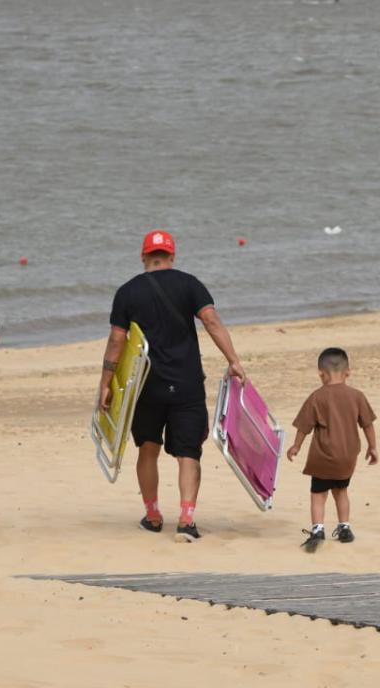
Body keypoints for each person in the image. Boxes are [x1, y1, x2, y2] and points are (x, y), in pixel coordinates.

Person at [98, 229, 246, 543]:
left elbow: (116, 341)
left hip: (146, 387)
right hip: (187, 384)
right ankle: (186, 519)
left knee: (148, 448)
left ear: (143, 257)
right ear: (172, 256)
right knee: (188, 453)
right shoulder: (190, 284)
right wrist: (233, 359)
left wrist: (106, 384)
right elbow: (212, 322)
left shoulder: (127, 292)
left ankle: (152, 516)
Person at [286, 347, 378, 552]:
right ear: (348, 372)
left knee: (318, 494)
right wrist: (373, 447)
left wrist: (296, 446)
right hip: (347, 457)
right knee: (341, 491)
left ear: (321, 374)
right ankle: (344, 527)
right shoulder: (357, 396)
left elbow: (304, 427)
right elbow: (368, 424)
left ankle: (318, 529)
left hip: (323, 457)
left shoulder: (317, 397)